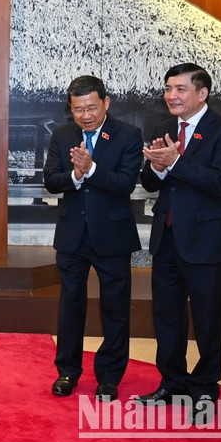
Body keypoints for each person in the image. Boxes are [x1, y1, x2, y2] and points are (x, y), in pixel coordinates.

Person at [137, 63, 221, 424]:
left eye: (181, 89)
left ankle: (204, 389)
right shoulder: (164, 128)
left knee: (208, 320)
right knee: (166, 317)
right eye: (169, 88)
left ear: (202, 93)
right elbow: (151, 184)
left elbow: (220, 184)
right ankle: (171, 383)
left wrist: (176, 161)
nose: (172, 95)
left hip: (206, 243)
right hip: (166, 240)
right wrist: (155, 167)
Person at [43, 75, 143, 401]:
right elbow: (52, 180)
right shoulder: (62, 135)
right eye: (77, 109)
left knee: (115, 308)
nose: (85, 115)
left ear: (106, 103)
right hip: (72, 235)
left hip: (112, 235)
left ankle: (110, 376)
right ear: (70, 109)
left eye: (91, 107)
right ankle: (67, 372)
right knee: (70, 306)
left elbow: (126, 183)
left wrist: (92, 169)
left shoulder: (128, 135)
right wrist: (75, 174)